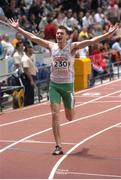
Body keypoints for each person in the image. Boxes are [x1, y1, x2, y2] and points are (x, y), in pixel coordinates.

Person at [5, 19, 117, 155]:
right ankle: (58, 146)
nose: (58, 35)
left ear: (66, 36)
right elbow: (32, 37)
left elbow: (92, 41)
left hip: (68, 86)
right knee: (54, 115)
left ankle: (72, 103)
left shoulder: (72, 47)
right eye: (57, 33)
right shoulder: (51, 46)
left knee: (69, 117)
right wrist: (18, 29)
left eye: (61, 34)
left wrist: (107, 35)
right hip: (54, 86)